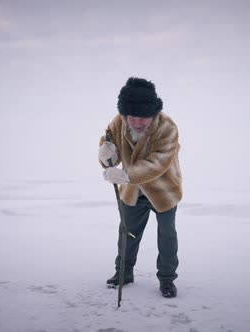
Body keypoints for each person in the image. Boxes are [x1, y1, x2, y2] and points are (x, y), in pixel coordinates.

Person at [98, 77, 183, 298]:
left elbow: (158, 163)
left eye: (143, 118)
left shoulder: (167, 128)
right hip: (132, 191)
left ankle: (166, 280)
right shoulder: (118, 122)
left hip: (164, 190)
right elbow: (109, 144)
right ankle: (123, 273)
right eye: (132, 117)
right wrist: (107, 154)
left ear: (153, 114)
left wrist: (125, 175)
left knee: (167, 236)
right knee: (128, 233)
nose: (137, 123)